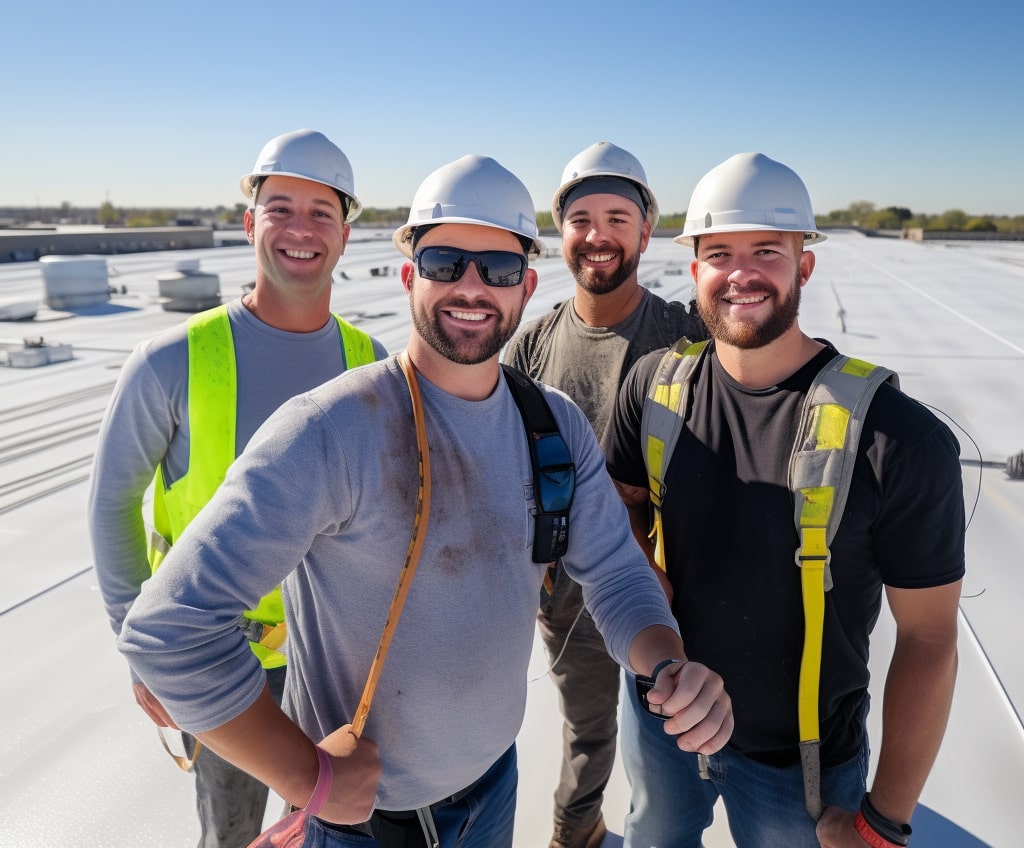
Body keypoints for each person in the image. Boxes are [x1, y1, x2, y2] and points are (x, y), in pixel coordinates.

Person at [115, 153, 734, 848]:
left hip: (493, 790)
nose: (471, 287)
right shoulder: (331, 428)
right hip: (365, 824)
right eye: (445, 262)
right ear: (410, 274)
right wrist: (304, 777)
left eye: (497, 270)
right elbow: (168, 631)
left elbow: (617, 574)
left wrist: (667, 663)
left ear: (526, 287)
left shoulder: (551, 425)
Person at [604, 152, 965, 848]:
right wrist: (636, 562)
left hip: (798, 768)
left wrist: (882, 822)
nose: (741, 274)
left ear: (804, 265)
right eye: (720, 254)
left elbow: (930, 637)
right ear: (695, 269)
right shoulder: (654, 387)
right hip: (662, 720)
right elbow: (622, 501)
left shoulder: (899, 440)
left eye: (766, 251)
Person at [88, 129, 388, 848]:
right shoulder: (171, 361)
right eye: (280, 207)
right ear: (250, 223)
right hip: (228, 664)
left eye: (322, 212)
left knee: (340, 829)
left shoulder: (369, 362)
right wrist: (144, 648)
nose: (300, 230)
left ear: (345, 235)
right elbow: (111, 505)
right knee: (232, 835)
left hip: (341, 663)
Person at [505, 140, 706, 848]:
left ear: (646, 231)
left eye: (618, 217)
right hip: (567, 598)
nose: (598, 235)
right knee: (587, 731)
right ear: (560, 233)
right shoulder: (530, 347)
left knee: (679, 741)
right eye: (581, 217)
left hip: (677, 598)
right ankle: (576, 829)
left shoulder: (689, 337)